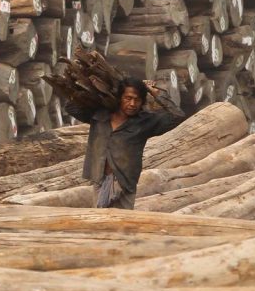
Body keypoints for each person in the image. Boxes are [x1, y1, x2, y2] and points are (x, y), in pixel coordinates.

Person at [65, 77, 185, 210]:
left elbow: (177, 116)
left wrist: (155, 92)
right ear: (119, 98)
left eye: (137, 100)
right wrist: (91, 89)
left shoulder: (145, 122)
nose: (133, 104)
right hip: (99, 179)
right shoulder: (99, 115)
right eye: (128, 98)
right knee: (100, 223)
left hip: (124, 184)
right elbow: (71, 107)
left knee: (122, 225)